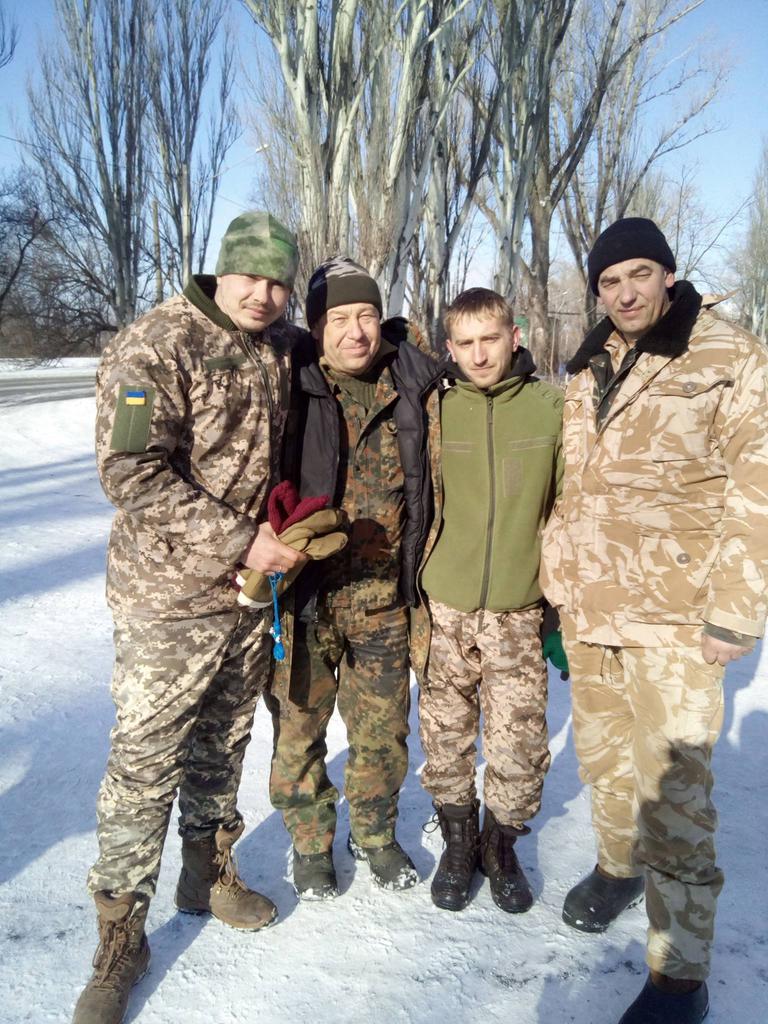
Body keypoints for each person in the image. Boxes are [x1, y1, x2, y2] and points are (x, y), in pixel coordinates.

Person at [73, 212, 306, 1024]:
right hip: (168, 601)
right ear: (221, 271)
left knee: (223, 744)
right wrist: (242, 539)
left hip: (245, 597)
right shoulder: (155, 346)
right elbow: (129, 471)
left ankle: (208, 873)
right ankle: (120, 936)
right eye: (251, 277)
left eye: (278, 282)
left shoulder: (280, 345)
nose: (264, 294)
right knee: (145, 764)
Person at [540, 217, 768, 1024]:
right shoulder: (591, 362)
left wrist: (736, 612)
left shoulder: (728, 356)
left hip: (676, 619)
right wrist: (557, 580)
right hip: (592, 608)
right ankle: (617, 865)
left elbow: (758, 489)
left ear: (668, 274)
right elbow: (576, 483)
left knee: (674, 796)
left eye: (640, 273)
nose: (625, 292)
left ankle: (680, 975)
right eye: (609, 281)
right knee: (604, 760)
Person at [264, 256, 443, 899]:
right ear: (317, 327)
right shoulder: (290, 383)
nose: (355, 331)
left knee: (382, 731)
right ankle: (311, 842)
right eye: (338, 318)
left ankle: (374, 833)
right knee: (298, 729)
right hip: (304, 596)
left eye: (365, 314)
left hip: (382, 597)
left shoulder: (416, 383)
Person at [409, 287, 564, 914]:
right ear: (449, 347)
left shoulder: (551, 408)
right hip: (445, 604)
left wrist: (563, 602)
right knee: (445, 736)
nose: (479, 354)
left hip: (517, 608)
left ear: (514, 336)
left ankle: (500, 846)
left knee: (520, 743)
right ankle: (458, 841)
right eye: (465, 343)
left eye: (490, 339)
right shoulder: (436, 410)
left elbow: (570, 503)